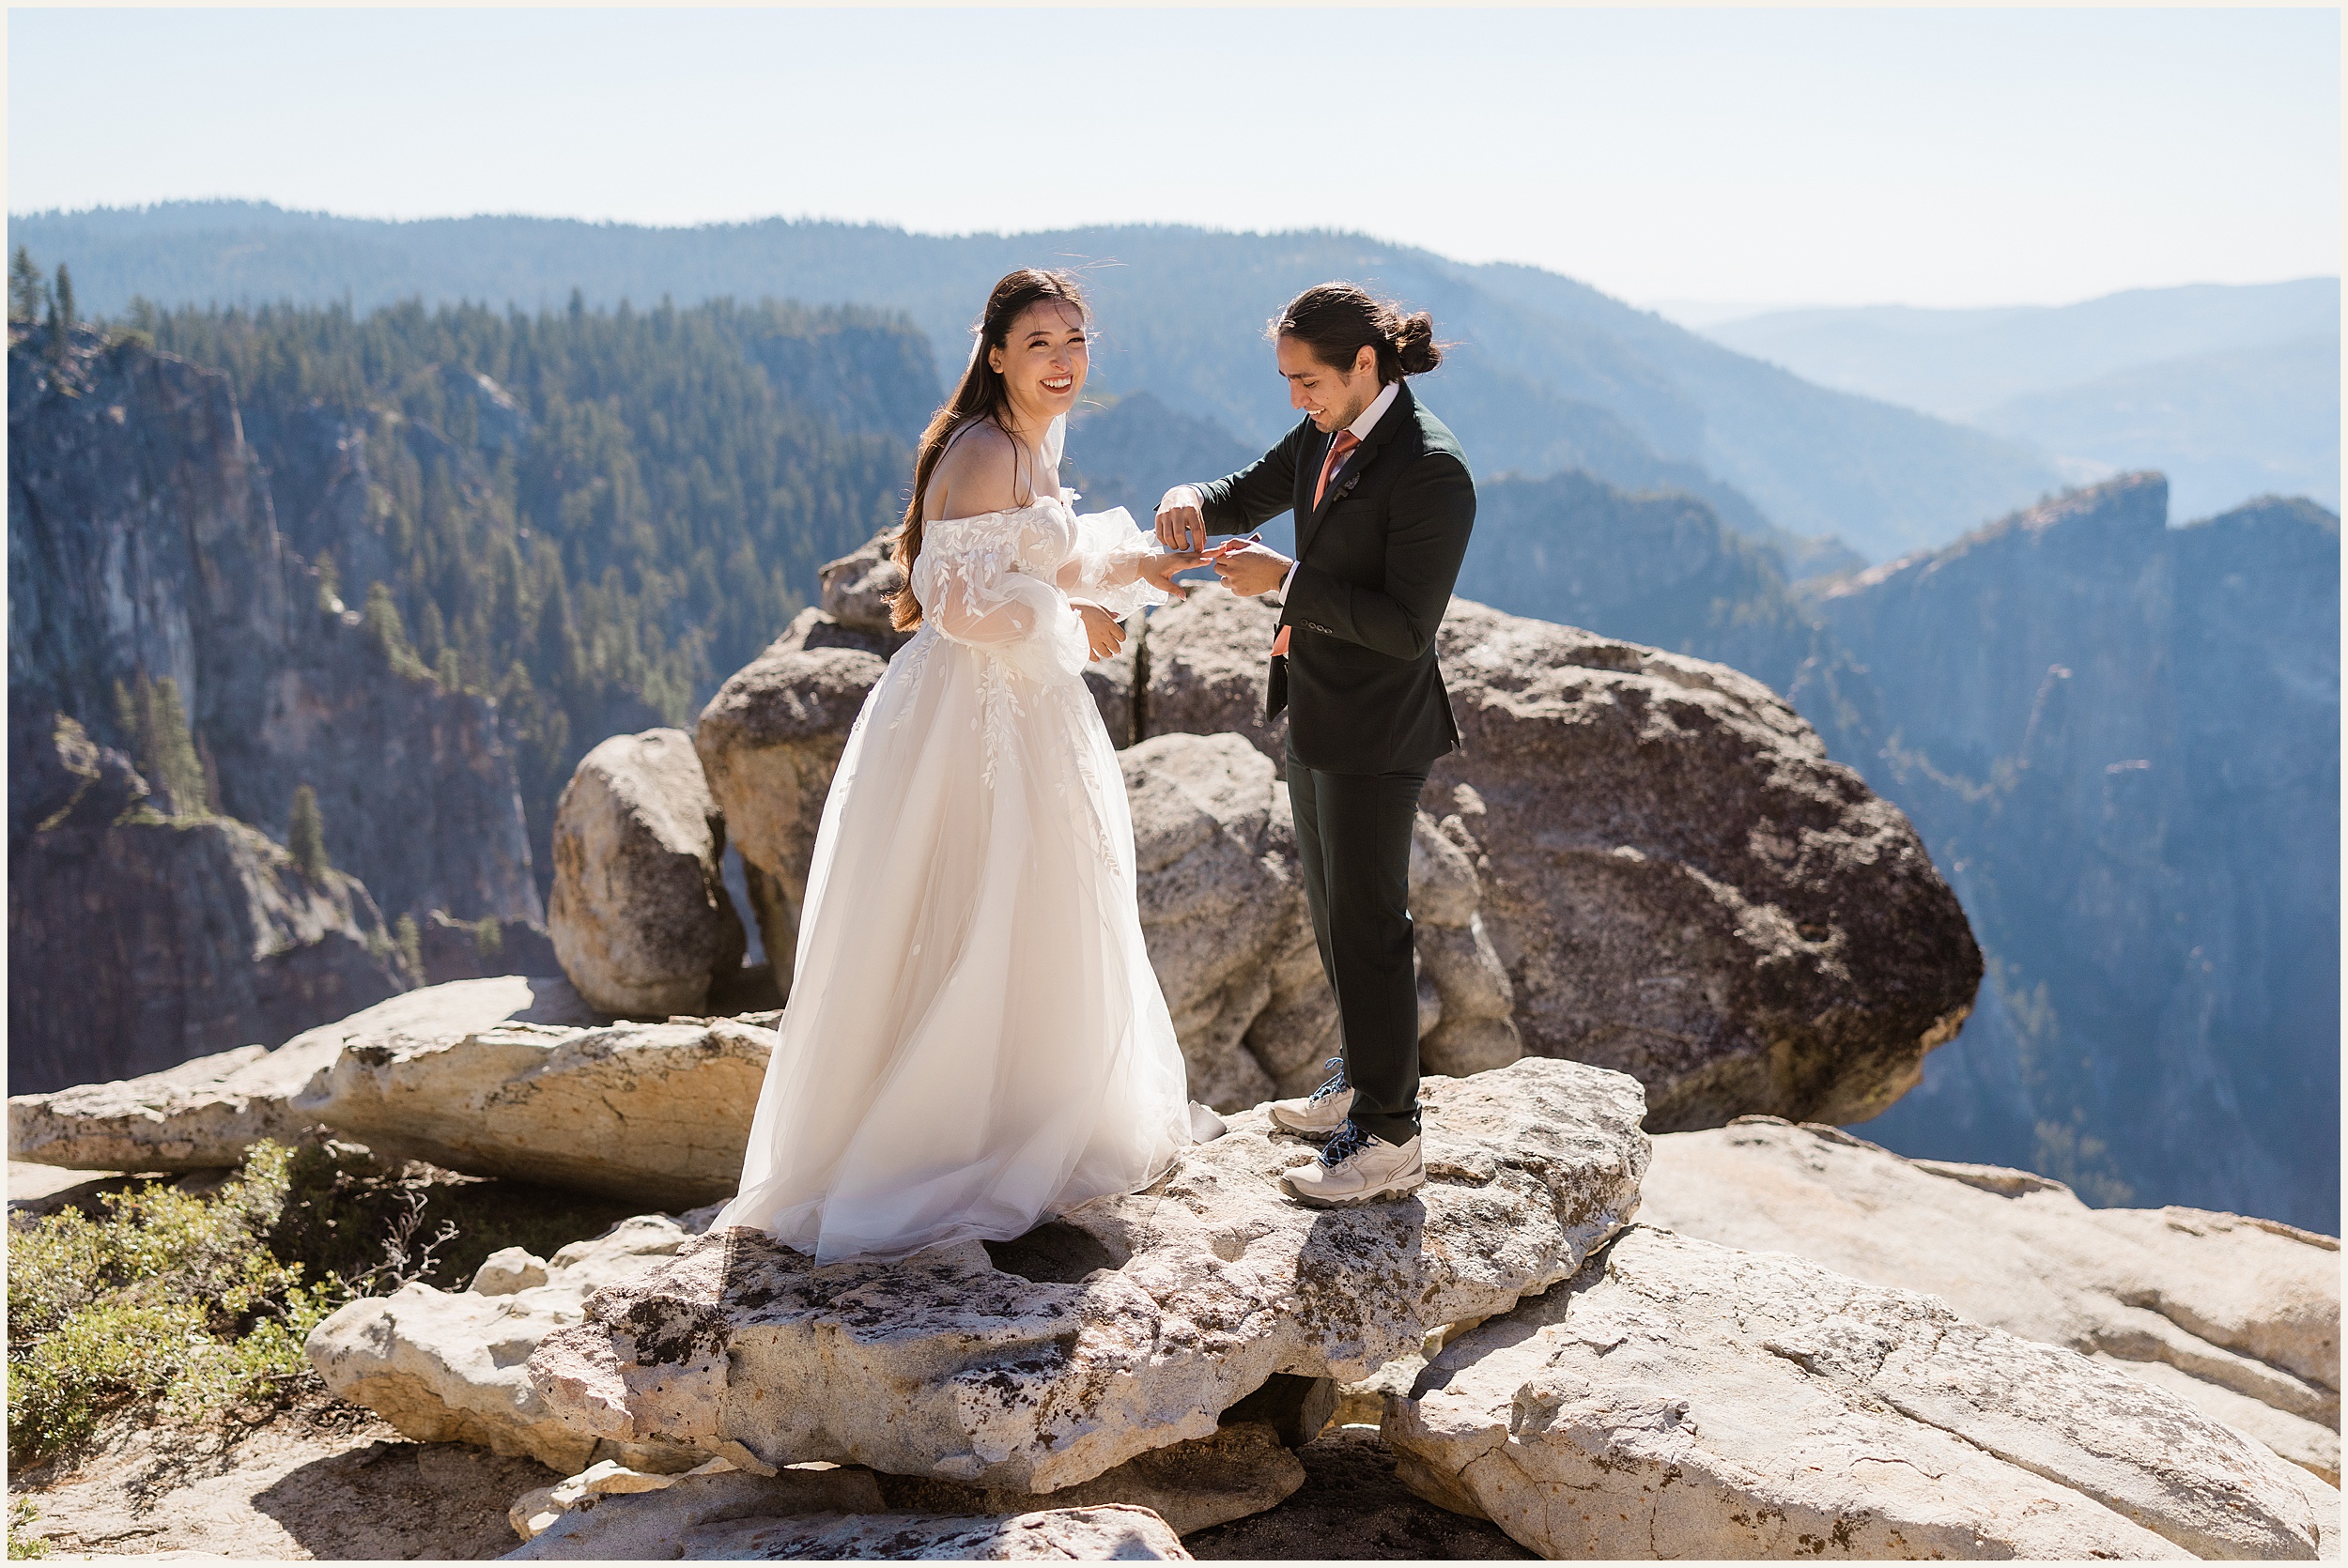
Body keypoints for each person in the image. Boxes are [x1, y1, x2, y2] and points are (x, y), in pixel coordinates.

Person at [716, 269, 1205, 1264]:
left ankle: (1016, 1120)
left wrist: (1141, 565)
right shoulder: (983, 449)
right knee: (979, 909)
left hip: (1020, 706)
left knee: (1034, 912)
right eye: (1039, 343)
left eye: (1076, 340)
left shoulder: (1026, 442)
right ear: (995, 356)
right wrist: (1075, 615)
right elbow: (955, 603)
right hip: (972, 718)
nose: (1063, 360)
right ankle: (940, 1144)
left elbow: (1037, 554)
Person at [1157, 283, 1475, 1207]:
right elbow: (1244, 491)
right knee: (1337, 918)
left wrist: (1286, 580)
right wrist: (1189, 499)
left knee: (1371, 926)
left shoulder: (1431, 469)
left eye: (1307, 380)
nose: (1297, 397)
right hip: (1316, 711)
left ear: (1362, 364)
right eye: (1288, 381)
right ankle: (1365, 1076)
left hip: (1378, 729)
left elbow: (1405, 626)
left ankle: (1388, 1137)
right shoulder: (1326, 436)